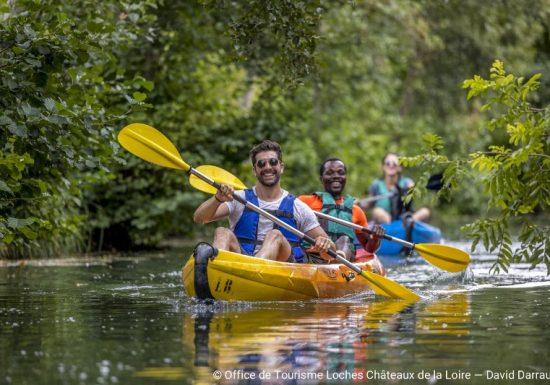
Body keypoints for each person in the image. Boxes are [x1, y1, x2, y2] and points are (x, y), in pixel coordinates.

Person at [193, 140, 337, 263]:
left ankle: (252, 270)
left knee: (275, 235)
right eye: (261, 164)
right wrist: (217, 199)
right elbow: (200, 218)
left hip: (282, 267)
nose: (267, 167)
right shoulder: (238, 198)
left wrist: (326, 244)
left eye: (273, 162)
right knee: (222, 232)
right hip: (241, 262)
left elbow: (330, 253)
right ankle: (216, 270)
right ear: (255, 170)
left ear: (281, 167)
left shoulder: (298, 207)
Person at [299, 158, 385, 265]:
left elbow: (369, 248)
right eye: (330, 173)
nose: (336, 176)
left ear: (345, 178)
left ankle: (337, 261)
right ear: (322, 179)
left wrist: (375, 238)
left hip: (343, 262)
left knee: (344, 240)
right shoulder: (304, 202)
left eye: (341, 173)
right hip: (313, 258)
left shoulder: (356, 211)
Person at [360, 152, 430, 225]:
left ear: (400, 167)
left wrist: (411, 189)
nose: (391, 165)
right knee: (377, 211)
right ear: (383, 167)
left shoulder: (407, 183)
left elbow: (415, 194)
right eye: (387, 163)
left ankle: (404, 226)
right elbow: (368, 204)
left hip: (404, 219)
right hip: (385, 222)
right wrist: (359, 203)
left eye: (394, 163)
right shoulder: (377, 185)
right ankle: (393, 229)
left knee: (425, 212)